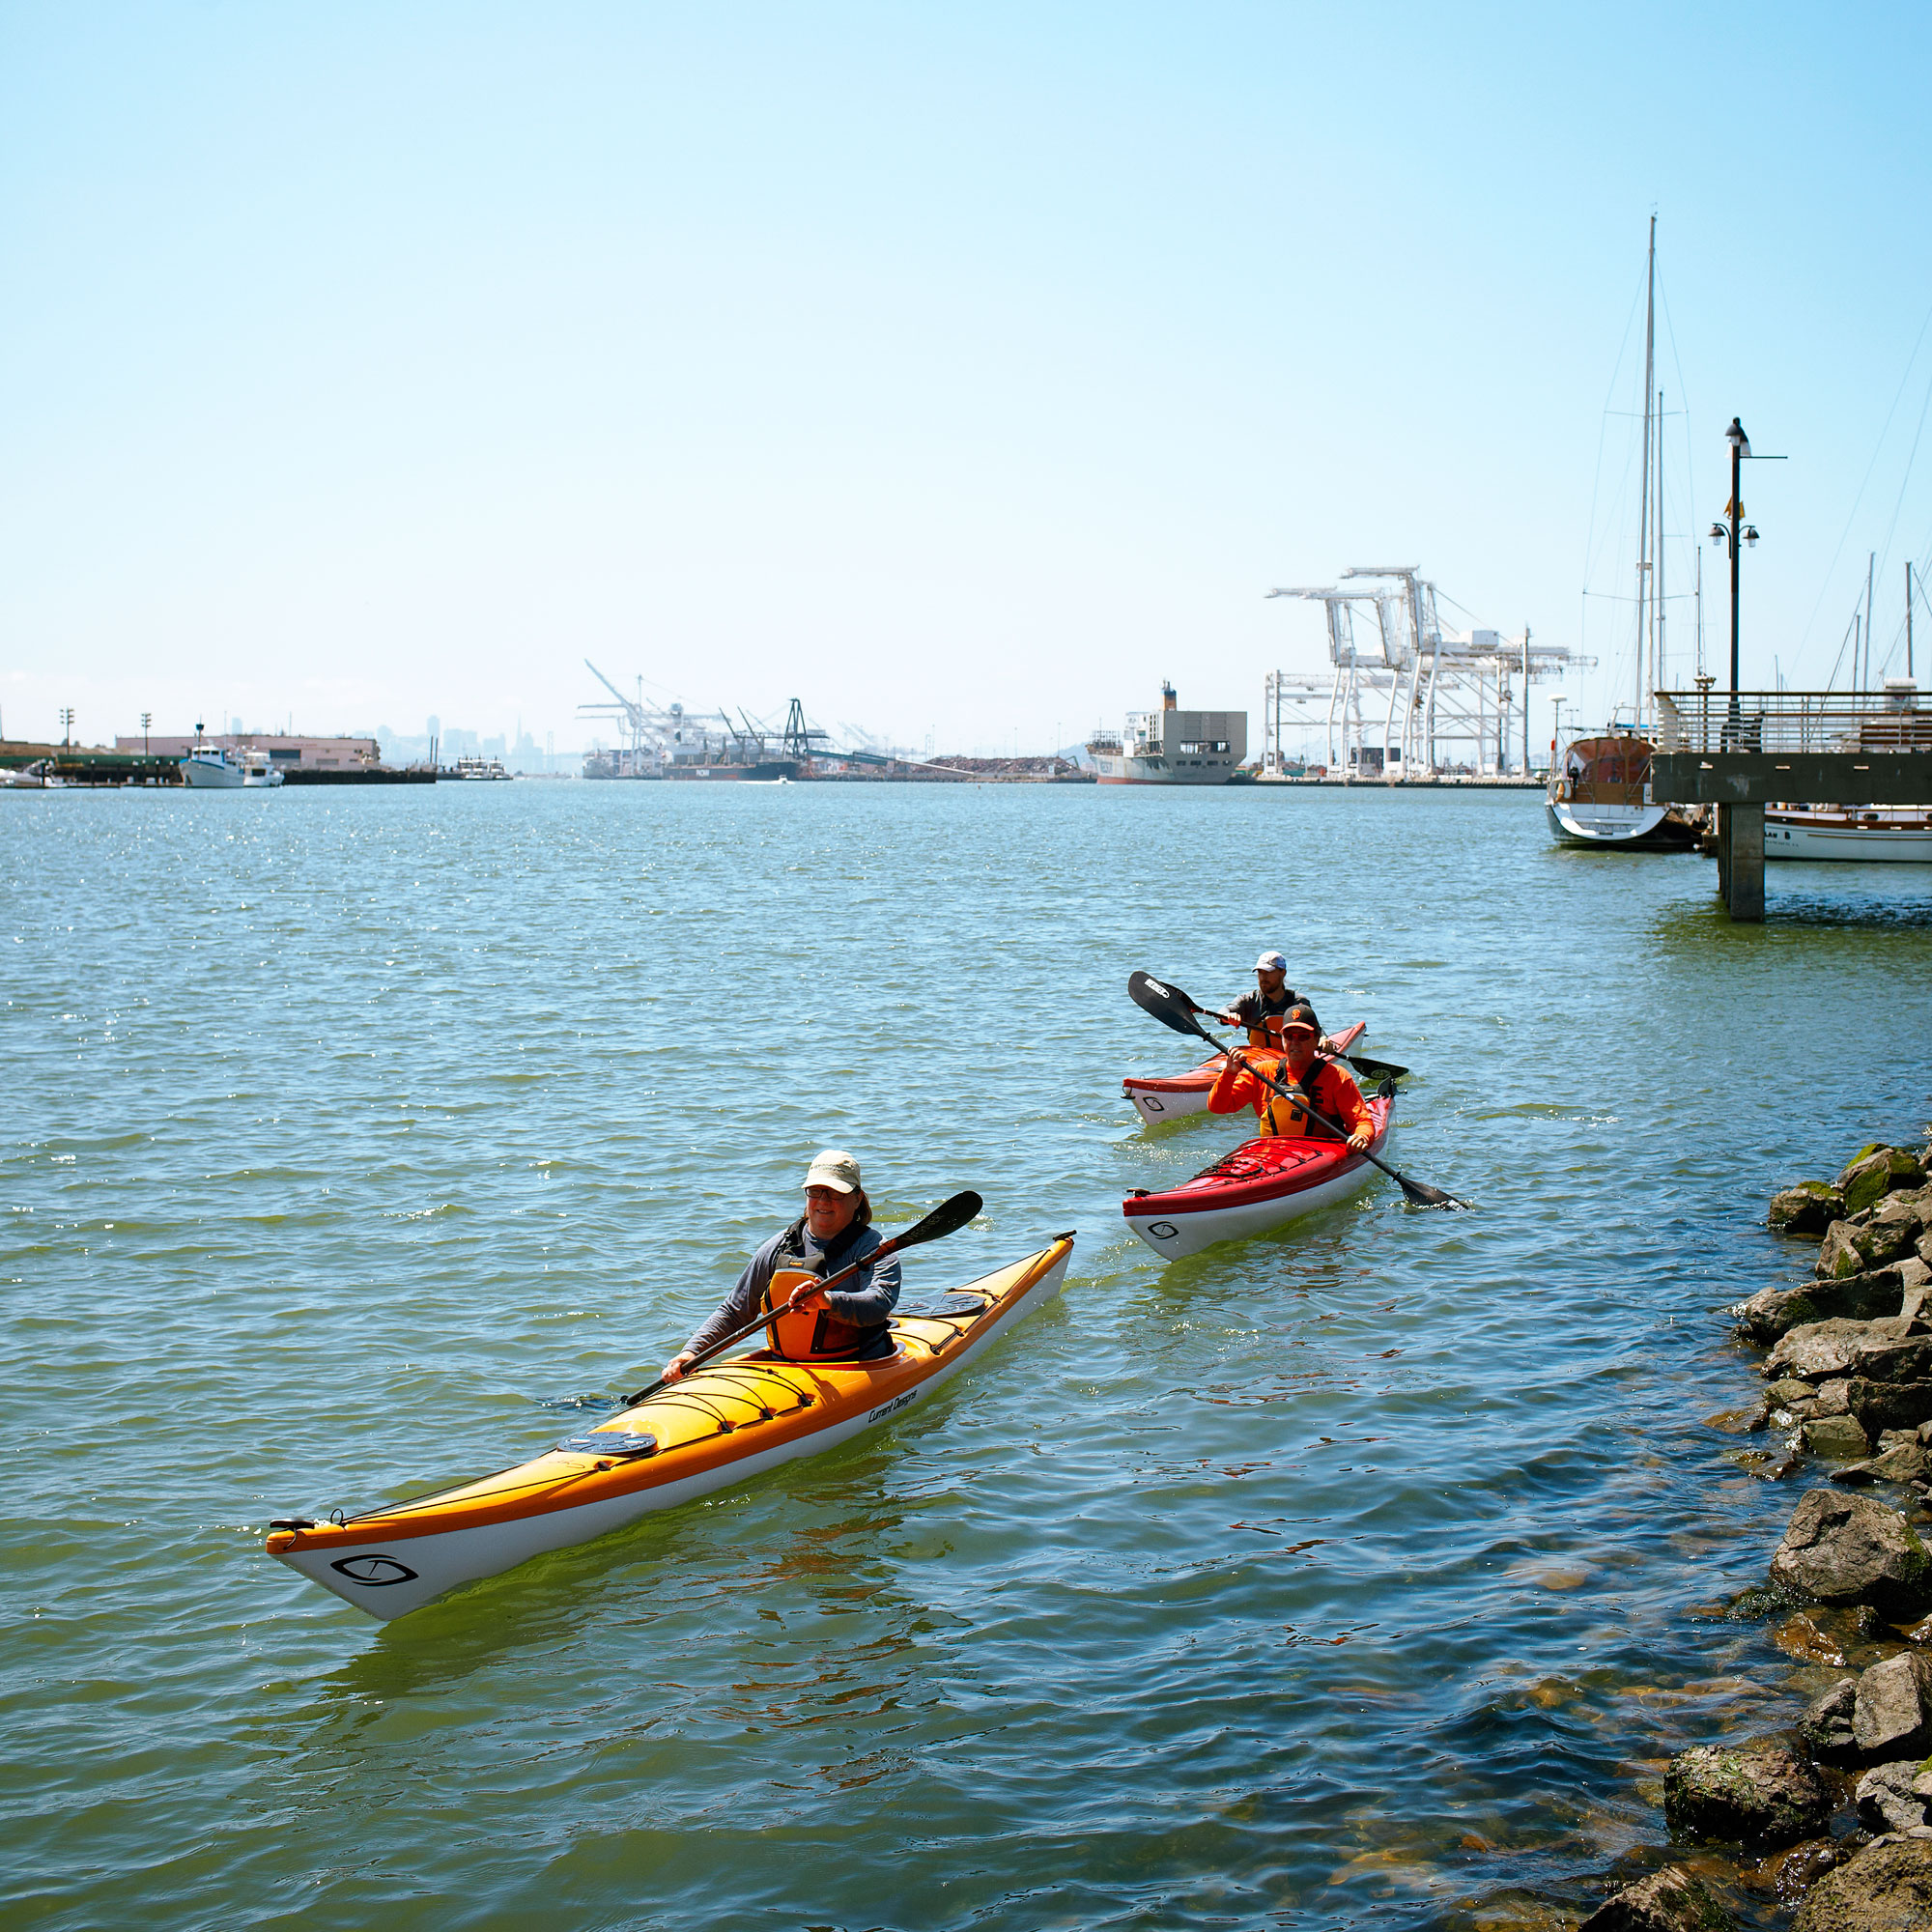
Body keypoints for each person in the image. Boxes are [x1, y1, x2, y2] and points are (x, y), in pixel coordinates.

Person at [661, 1151, 902, 1381]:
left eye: (835, 1193)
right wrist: (692, 1351)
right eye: (815, 1191)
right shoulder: (779, 1247)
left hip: (859, 1365)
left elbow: (879, 1303)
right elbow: (736, 1311)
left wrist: (827, 1302)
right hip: (787, 1370)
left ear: (857, 1198)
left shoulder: (874, 1249)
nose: (823, 1201)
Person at [1208, 1003, 1373, 1150]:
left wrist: (1361, 1137)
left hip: (1320, 1156)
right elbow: (1217, 1107)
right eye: (1289, 1036)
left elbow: (1362, 1122)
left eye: (1302, 1036)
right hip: (1274, 1155)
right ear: (1282, 1039)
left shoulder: (1337, 1076)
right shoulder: (1261, 1072)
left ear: (1316, 1039)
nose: (1295, 1042)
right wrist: (1229, 1074)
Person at [1215, 951, 1324, 1047]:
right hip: (1260, 1059)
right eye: (1260, 973)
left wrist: (1324, 1039)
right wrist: (1227, 1016)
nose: (1263, 978)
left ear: (1283, 973)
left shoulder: (1298, 1001)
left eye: (1268, 972)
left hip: (1291, 1057)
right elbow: (1224, 1011)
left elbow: (1316, 1029)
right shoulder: (1249, 1000)